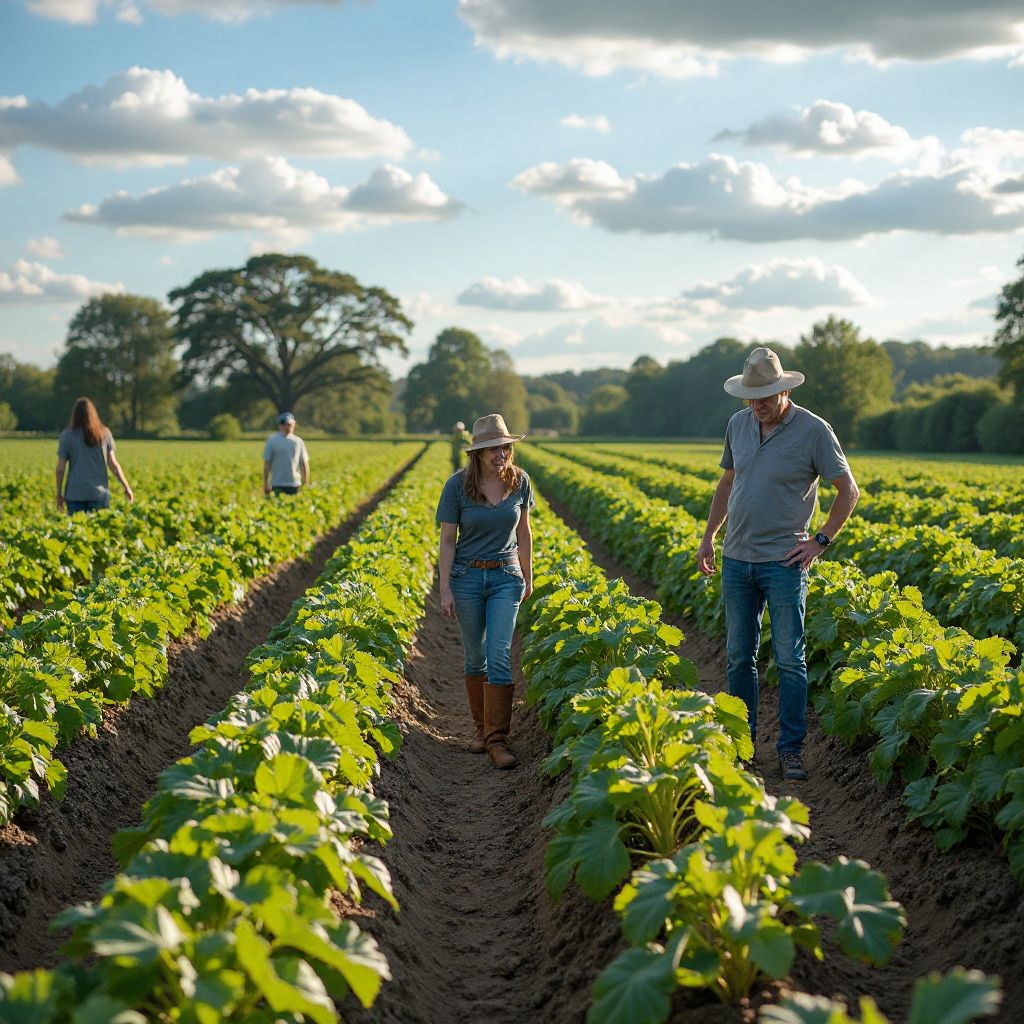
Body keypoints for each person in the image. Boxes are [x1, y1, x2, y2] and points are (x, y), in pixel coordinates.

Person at [696, 347, 860, 782]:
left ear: (784, 391)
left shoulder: (814, 430)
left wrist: (820, 541)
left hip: (784, 562)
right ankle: (742, 745)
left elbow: (848, 490)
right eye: (751, 398)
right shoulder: (738, 424)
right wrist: (709, 536)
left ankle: (790, 750)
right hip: (737, 559)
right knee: (738, 658)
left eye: (765, 397)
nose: (757, 406)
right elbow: (727, 482)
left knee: (789, 659)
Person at [436, 413, 534, 769]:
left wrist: (528, 575)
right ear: (477, 453)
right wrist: (445, 588)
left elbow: (524, 531)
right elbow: (448, 539)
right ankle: (480, 729)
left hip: (506, 576)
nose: (500, 454)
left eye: (505, 448)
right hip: (466, 577)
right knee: (475, 656)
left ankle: (496, 740)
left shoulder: (520, 481)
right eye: (493, 449)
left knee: (499, 653)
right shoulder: (457, 487)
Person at [56, 397, 133, 514]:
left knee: (76, 525)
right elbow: (113, 464)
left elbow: (60, 469)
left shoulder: (67, 435)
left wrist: (59, 493)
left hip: (75, 494)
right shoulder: (104, 433)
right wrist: (126, 486)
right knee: (97, 525)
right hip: (98, 494)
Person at [263, 412, 310, 496]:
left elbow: (304, 464)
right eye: (284, 424)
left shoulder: (298, 441)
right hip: (277, 483)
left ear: (294, 424)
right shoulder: (272, 441)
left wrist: (306, 482)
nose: (287, 426)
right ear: (280, 425)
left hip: (294, 483)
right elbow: (267, 463)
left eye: (289, 424)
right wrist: (266, 483)